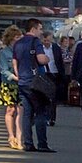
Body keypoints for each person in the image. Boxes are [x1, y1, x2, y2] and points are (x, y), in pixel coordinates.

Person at [13, 19, 54, 153]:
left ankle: (28, 143)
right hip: (34, 83)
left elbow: (15, 63)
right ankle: (42, 144)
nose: (41, 32)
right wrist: (48, 59)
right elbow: (41, 59)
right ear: (33, 29)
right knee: (40, 112)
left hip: (22, 82)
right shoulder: (35, 42)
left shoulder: (18, 43)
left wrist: (19, 76)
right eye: (40, 29)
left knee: (27, 113)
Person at [0, 27, 22, 150]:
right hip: (9, 84)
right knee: (10, 110)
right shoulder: (4, 53)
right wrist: (15, 77)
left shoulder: (22, 51)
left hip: (21, 84)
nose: (19, 40)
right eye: (17, 38)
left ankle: (19, 136)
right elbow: (3, 70)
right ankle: (11, 137)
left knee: (21, 111)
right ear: (11, 39)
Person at [39, 31, 64, 126]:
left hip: (54, 74)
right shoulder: (39, 48)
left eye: (48, 40)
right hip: (43, 74)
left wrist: (62, 76)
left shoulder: (56, 48)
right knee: (43, 97)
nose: (46, 42)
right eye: (45, 40)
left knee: (52, 98)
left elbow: (60, 62)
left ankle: (52, 118)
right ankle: (44, 116)